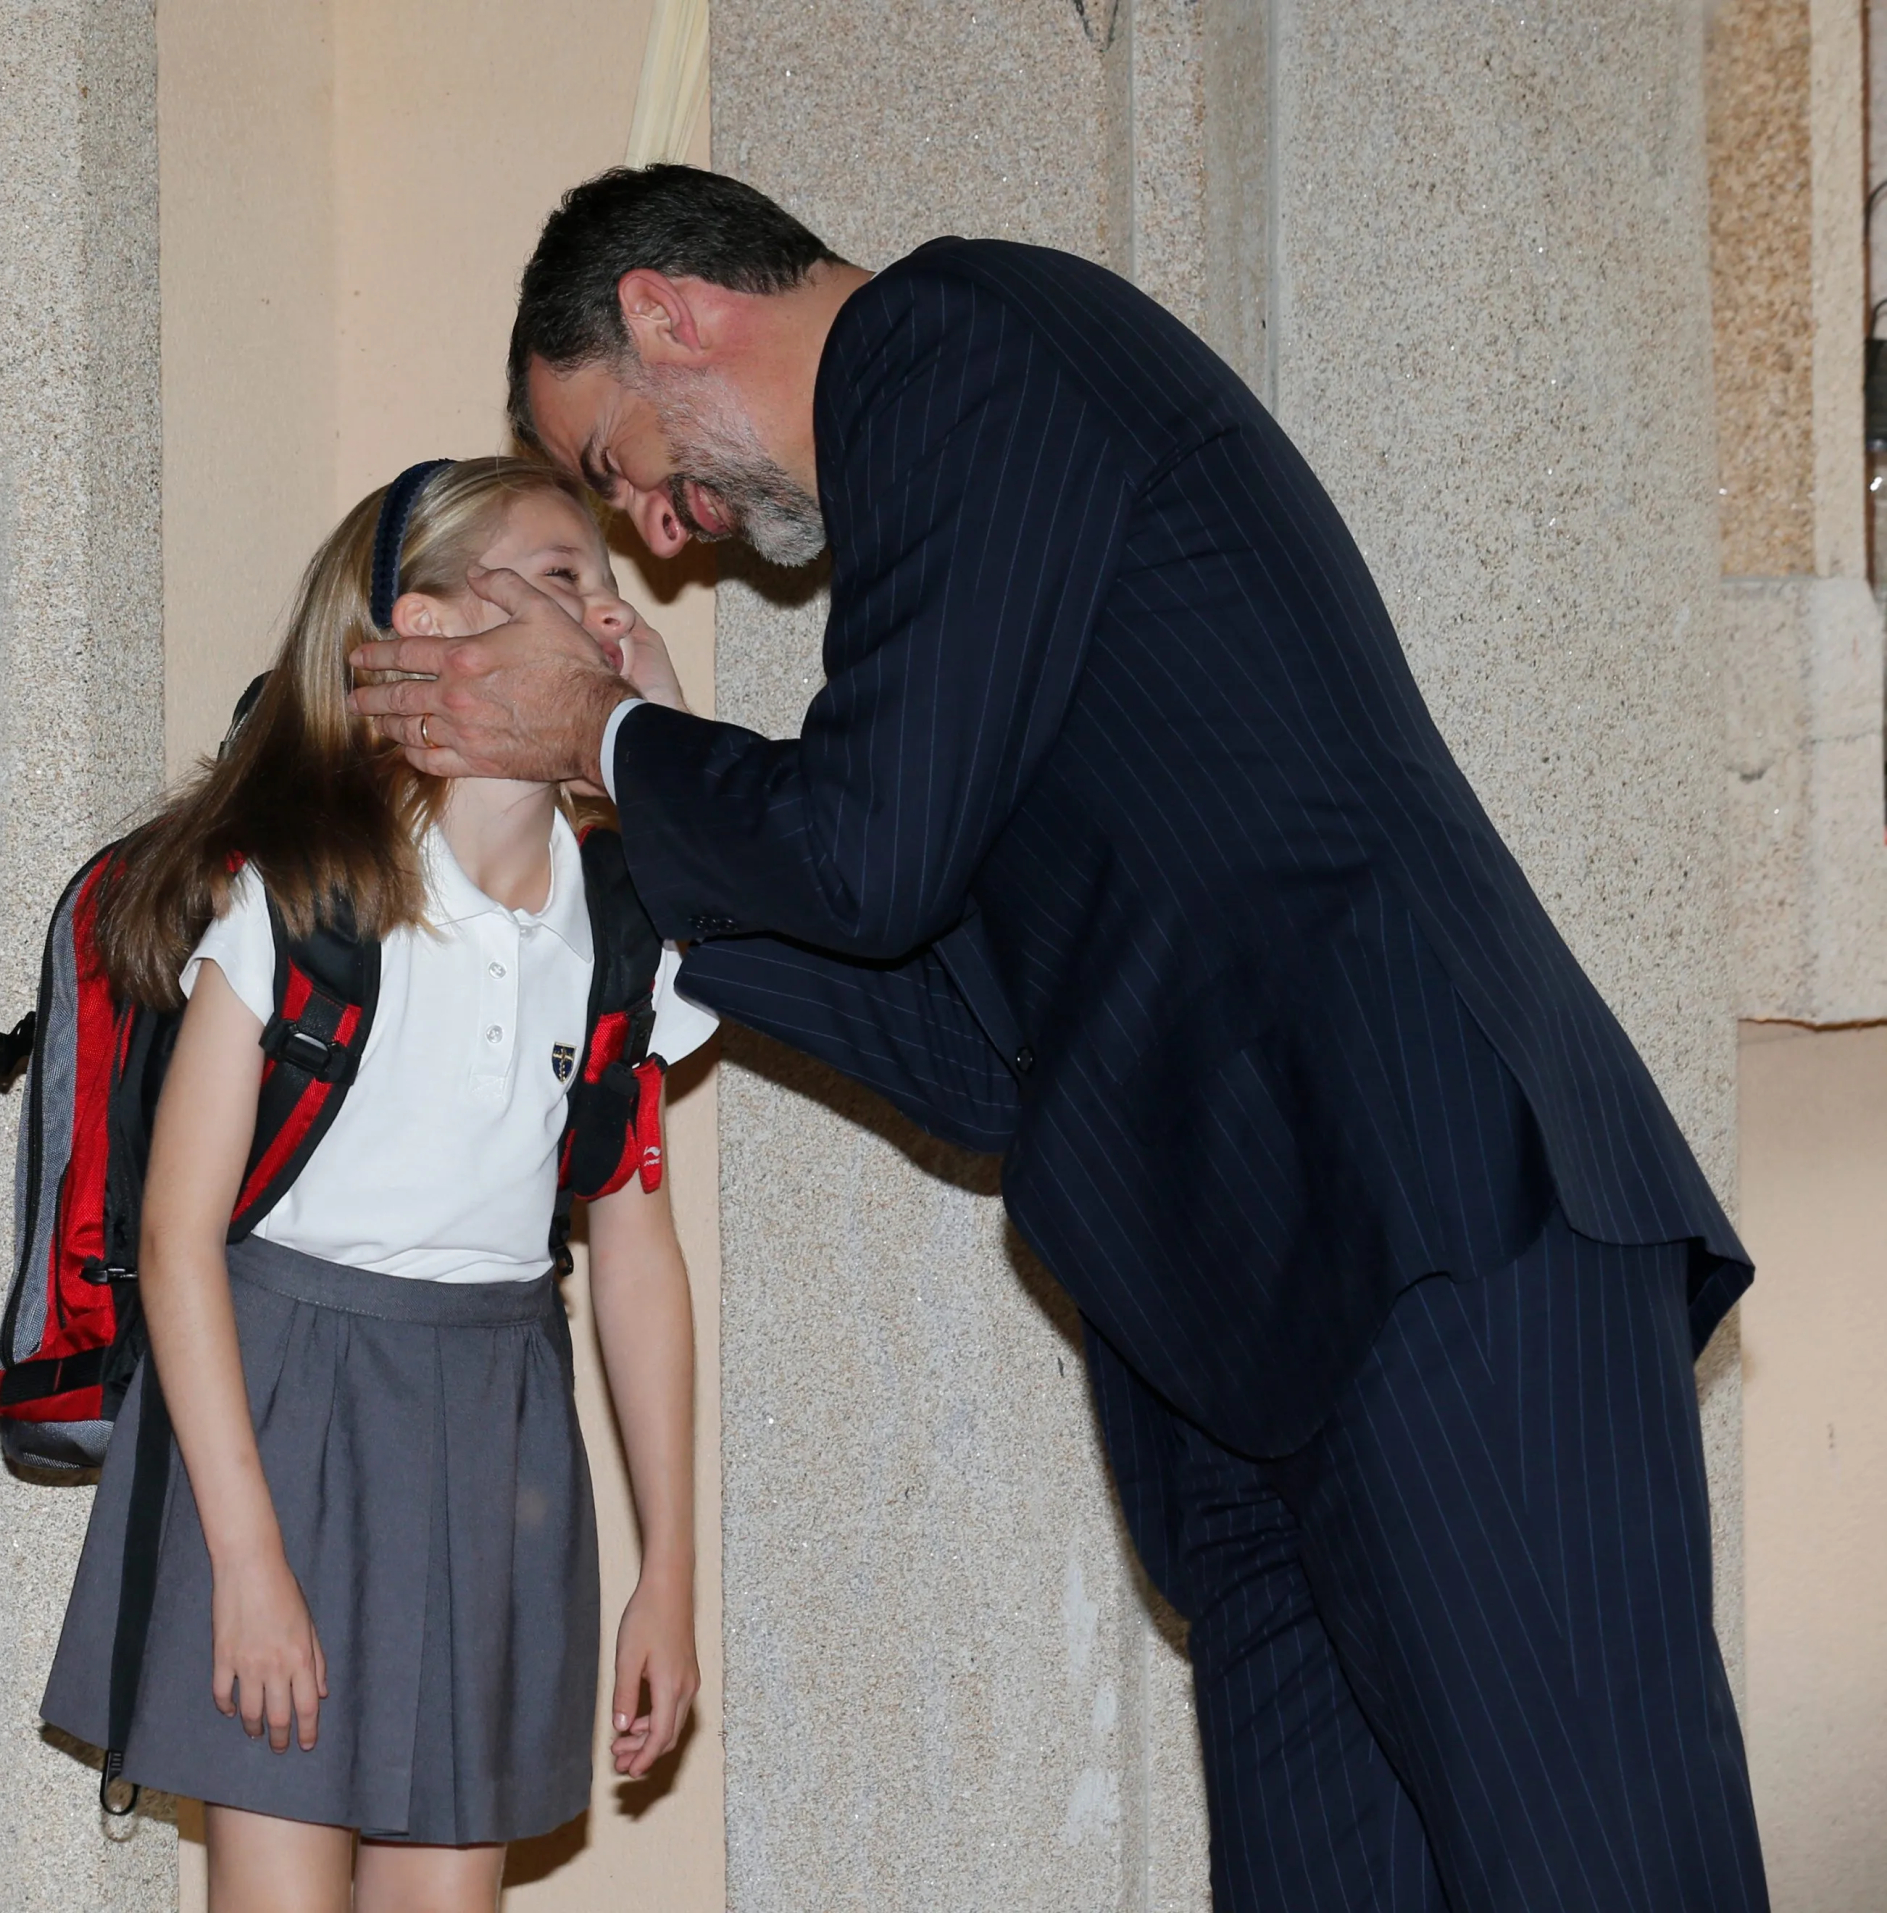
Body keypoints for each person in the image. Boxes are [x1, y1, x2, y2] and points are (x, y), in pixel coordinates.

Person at [351, 166, 1769, 1912]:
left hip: (1431, 1231)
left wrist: (623, 742)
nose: (657, 526)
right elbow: (973, 1048)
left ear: (667, 312)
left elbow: (866, 849)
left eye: (609, 464)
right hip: (1246, 1365)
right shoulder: (941, 556)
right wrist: (616, 886)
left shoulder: (955, 347)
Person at [41, 458, 709, 1913]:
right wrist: (247, 1559)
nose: (603, 608)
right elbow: (177, 1236)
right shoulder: (305, 895)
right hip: (284, 1419)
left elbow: (638, 1254)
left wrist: (670, 1563)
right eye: (555, 577)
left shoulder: (617, 925)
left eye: (609, 585)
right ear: (425, 629)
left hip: (495, 1429)